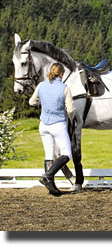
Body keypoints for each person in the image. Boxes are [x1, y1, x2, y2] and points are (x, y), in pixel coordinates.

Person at [29, 63, 75, 195]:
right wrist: (72, 118)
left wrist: (44, 102)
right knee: (66, 154)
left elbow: (31, 102)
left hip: (43, 124)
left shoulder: (41, 85)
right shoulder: (65, 88)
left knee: (49, 154)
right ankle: (48, 176)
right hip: (58, 124)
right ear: (61, 74)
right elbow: (70, 110)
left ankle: (52, 188)